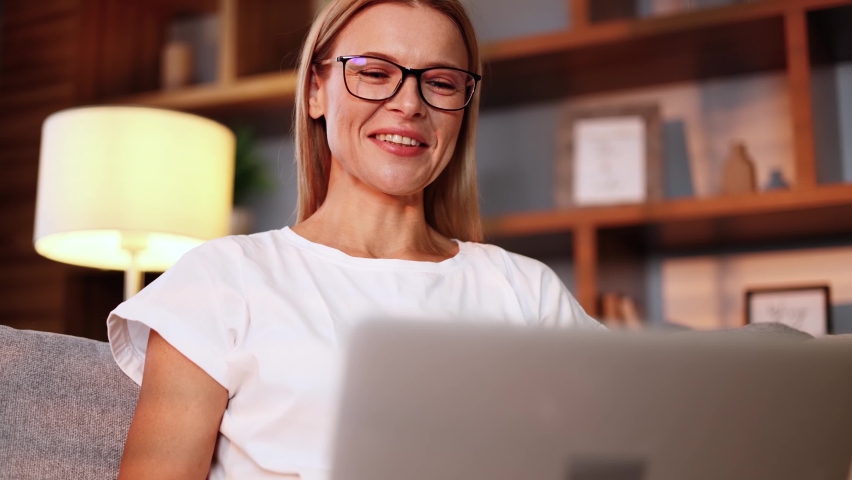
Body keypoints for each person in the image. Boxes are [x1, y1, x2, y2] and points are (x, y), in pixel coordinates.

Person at [108, 0, 603, 478]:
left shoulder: (525, 290)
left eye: (441, 82)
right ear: (315, 92)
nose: (409, 103)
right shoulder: (222, 280)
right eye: (373, 72)